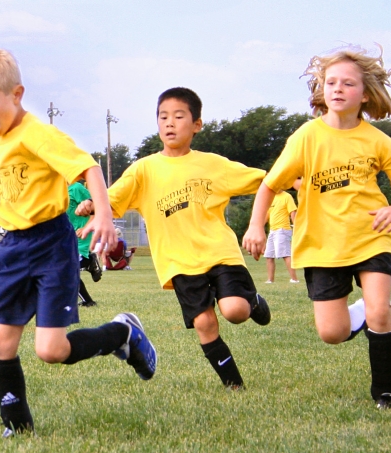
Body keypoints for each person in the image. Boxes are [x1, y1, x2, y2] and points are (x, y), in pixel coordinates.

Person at [0, 47, 156, 437]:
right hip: (13, 248)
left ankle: (122, 334)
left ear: (16, 95)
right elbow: (16, 188)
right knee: (0, 344)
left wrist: (103, 214)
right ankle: (18, 426)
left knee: (51, 351)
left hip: (50, 246)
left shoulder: (38, 134)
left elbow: (88, 168)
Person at [244, 47, 391, 409]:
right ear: (321, 89)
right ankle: (362, 312)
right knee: (332, 333)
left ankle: (386, 392)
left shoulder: (377, 140)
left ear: (365, 93)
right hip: (322, 246)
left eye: (348, 83)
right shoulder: (306, 137)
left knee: (381, 311)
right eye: (331, 82)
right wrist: (255, 227)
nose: (337, 88)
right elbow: (269, 185)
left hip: (372, 238)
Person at [103, 88, 272, 390]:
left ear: (197, 125)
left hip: (219, 251)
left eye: (179, 116)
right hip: (178, 260)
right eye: (163, 117)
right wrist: (93, 205)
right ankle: (235, 386)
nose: (170, 123)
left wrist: (297, 178)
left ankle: (252, 301)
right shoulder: (144, 170)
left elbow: (264, 180)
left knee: (234, 311)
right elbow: (112, 198)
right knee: (204, 323)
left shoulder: (212, 164)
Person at [66, 178, 100, 307]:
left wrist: (86, 227)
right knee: (66, 270)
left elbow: (95, 207)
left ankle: (88, 260)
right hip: (67, 237)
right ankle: (89, 262)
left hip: (81, 235)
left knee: (67, 270)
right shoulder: (55, 193)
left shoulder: (76, 188)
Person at [264, 190, 299, 284]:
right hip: (272, 231)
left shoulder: (287, 196)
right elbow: (267, 215)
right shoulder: (270, 197)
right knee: (269, 256)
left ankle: (294, 279)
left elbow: (292, 212)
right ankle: (270, 280)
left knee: (285, 254)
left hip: (283, 230)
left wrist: (296, 227)